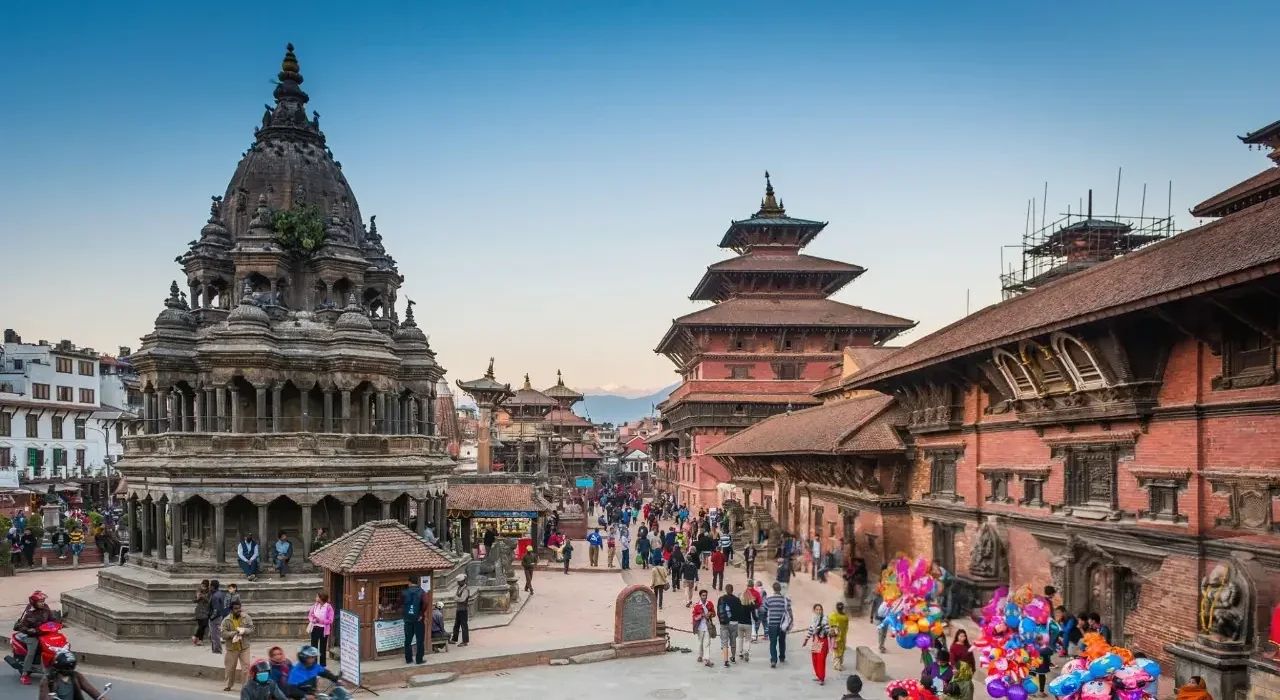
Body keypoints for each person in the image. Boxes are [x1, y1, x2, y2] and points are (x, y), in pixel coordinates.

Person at [15, 590, 56, 685]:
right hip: (33, 635)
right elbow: (21, 626)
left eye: (43, 601)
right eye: (40, 602)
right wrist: (30, 630)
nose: (42, 603)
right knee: (31, 653)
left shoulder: (46, 608)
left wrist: (58, 622)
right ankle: (24, 674)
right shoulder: (29, 613)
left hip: (45, 633)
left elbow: (52, 619)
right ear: (34, 602)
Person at [38, 651, 106, 700]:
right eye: (67, 668)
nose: (70, 670)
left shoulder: (76, 676)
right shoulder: (49, 679)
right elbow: (44, 697)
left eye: (71, 668)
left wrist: (101, 697)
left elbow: (89, 688)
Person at [220, 600, 255, 692]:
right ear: (231, 609)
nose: (238, 610)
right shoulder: (226, 620)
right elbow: (223, 634)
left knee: (246, 667)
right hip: (232, 648)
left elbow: (252, 629)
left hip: (244, 647)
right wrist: (234, 633)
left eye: (239, 608)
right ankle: (228, 685)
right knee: (230, 668)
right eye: (236, 609)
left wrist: (244, 631)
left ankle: (246, 686)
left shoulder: (246, 617)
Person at [763, 581, 793, 668]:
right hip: (782, 624)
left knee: (772, 642)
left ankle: (773, 660)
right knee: (782, 641)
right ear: (780, 589)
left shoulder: (769, 600)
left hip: (772, 624)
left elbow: (764, 610)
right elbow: (790, 613)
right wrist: (790, 624)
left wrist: (766, 619)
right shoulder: (785, 600)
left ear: (773, 589)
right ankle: (782, 657)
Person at [716, 583, 744, 667]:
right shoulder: (737, 599)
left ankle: (726, 661)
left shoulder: (721, 599)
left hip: (724, 623)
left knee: (724, 642)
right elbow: (741, 611)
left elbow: (718, 610)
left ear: (725, 589)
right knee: (733, 641)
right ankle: (733, 657)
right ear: (732, 590)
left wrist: (721, 620)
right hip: (734, 622)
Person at [400, 577, 426, 664]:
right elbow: (425, 603)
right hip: (418, 619)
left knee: (408, 640)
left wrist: (393, 608)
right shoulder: (422, 592)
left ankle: (408, 659)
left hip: (407, 619)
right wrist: (421, 614)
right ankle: (419, 660)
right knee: (420, 640)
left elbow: (398, 603)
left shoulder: (404, 592)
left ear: (409, 582)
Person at [804, 603, 830, 685]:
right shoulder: (814, 619)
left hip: (822, 641)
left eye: (820, 609)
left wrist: (824, 627)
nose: (819, 611)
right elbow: (811, 629)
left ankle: (822, 678)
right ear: (814, 610)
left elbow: (828, 630)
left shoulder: (824, 619)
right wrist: (806, 639)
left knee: (821, 660)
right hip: (816, 641)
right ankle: (818, 675)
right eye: (817, 609)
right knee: (815, 659)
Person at [308, 592, 334, 667]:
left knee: (322, 648)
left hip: (323, 630)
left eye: (317, 597)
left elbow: (330, 620)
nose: (316, 598)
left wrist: (321, 621)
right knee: (313, 647)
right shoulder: (315, 605)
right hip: (315, 628)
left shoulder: (328, 607)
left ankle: (322, 666)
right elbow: (310, 615)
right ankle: (314, 664)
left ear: (321, 598)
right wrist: (313, 620)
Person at [692, 589, 715, 668]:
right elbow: (694, 617)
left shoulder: (710, 604)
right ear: (700, 596)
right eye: (703, 595)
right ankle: (700, 655)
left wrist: (710, 614)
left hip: (708, 626)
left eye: (706, 595)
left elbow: (714, 613)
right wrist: (701, 615)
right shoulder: (697, 606)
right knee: (700, 642)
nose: (705, 597)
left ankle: (707, 659)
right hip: (700, 627)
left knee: (707, 642)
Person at [829, 601, 851, 672]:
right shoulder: (845, 617)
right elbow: (846, 627)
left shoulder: (833, 616)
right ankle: (838, 664)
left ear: (836, 608)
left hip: (836, 637)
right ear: (842, 608)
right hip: (842, 637)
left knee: (836, 650)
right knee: (840, 650)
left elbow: (831, 625)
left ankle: (837, 665)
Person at [451, 573, 471, 646]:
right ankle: (454, 639)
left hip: (463, 610)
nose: (458, 583)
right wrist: (457, 598)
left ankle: (465, 641)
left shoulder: (466, 589)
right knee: (456, 625)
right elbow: (456, 597)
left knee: (464, 626)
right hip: (459, 609)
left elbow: (462, 599)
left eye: (459, 582)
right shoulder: (459, 588)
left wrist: (456, 598)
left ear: (463, 581)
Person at [208, 579, 226, 655]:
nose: (208, 587)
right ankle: (215, 650)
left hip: (215, 618)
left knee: (215, 635)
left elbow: (216, 609)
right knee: (213, 634)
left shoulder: (215, 596)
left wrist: (211, 618)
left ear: (212, 587)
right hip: (219, 616)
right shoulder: (219, 593)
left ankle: (217, 650)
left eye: (210, 585)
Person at [193, 579, 212, 646]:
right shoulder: (199, 591)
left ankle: (195, 636)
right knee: (201, 626)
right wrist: (197, 598)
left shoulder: (210, 592)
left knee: (204, 625)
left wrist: (204, 597)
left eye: (205, 586)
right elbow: (194, 600)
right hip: (199, 610)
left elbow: (210, 601)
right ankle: (200, 640)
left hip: (206, 611)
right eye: (202, 586)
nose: (203, 587)